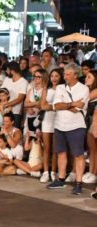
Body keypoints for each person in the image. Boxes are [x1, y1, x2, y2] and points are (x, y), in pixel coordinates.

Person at [47, 63, 90, 195]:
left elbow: (78, 108)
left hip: (76, 126)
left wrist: (65, 105)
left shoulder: (84, 89)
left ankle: (78, 183)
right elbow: (56, 106)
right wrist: (71, 103)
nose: (64, 76)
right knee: (61, 152)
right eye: (65, 74)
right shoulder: (60, 87)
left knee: (78, 155)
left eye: (68, 74)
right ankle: (60, 179)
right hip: (59, 124)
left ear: (76, 75)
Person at [38, 68, 65, 183]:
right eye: (52, 76)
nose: (54, 78)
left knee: (55, 148)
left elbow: (63, 105)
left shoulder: (63, 89)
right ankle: (45, 172)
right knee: (46, 148)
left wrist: (51, 105)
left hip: (59, 119)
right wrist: (55, 106)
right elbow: (42, 106)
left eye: (56, 76)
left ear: (60, 77)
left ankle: (53, 171)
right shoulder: (46, 89)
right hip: (47, 120)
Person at [0, 62, 28, 129]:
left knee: (13, 132)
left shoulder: (24, 82)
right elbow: (0, 92)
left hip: (15, 112)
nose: (6, 72)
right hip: (2, 110)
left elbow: (19, 99)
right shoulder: (7, 79)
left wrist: (6, 104)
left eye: (7, 70)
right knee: (1, 131)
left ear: (12, 71)